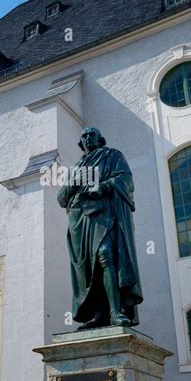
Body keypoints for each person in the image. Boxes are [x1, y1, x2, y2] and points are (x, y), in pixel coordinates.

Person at [57, 127, 143, 329]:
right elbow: (61, 199)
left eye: (91, 134)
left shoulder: (111, 155)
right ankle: (98, 315)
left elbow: (125, 179)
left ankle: (116, 312)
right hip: (79, 220)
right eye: (83, 136)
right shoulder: (76, 167)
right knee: (90, 269)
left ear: (100, 139)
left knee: (106, 255)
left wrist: (102, 187)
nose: (87, 138)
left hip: (104, 214)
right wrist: (76, 181)